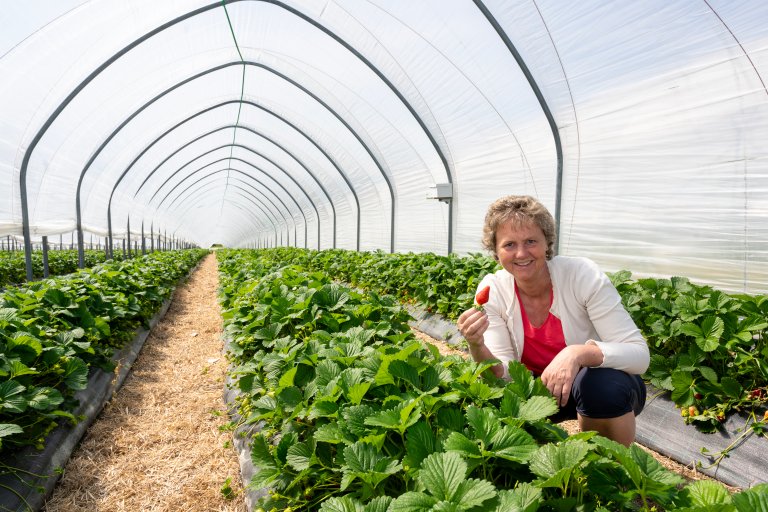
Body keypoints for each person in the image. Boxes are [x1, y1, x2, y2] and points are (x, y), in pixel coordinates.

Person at [457, 195, 649, 446]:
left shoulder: (581, 275)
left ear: (547, 242)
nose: (521, 253)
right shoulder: (493, 290)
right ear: (495, 251)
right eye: (509, 245)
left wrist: (577, 354)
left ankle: (611, 469)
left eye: (531, 241)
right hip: (538, 394)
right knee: (489, 406)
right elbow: (501, 376)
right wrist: (477, 345)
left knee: (602, 386)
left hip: (592, 387)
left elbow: (640, 354)